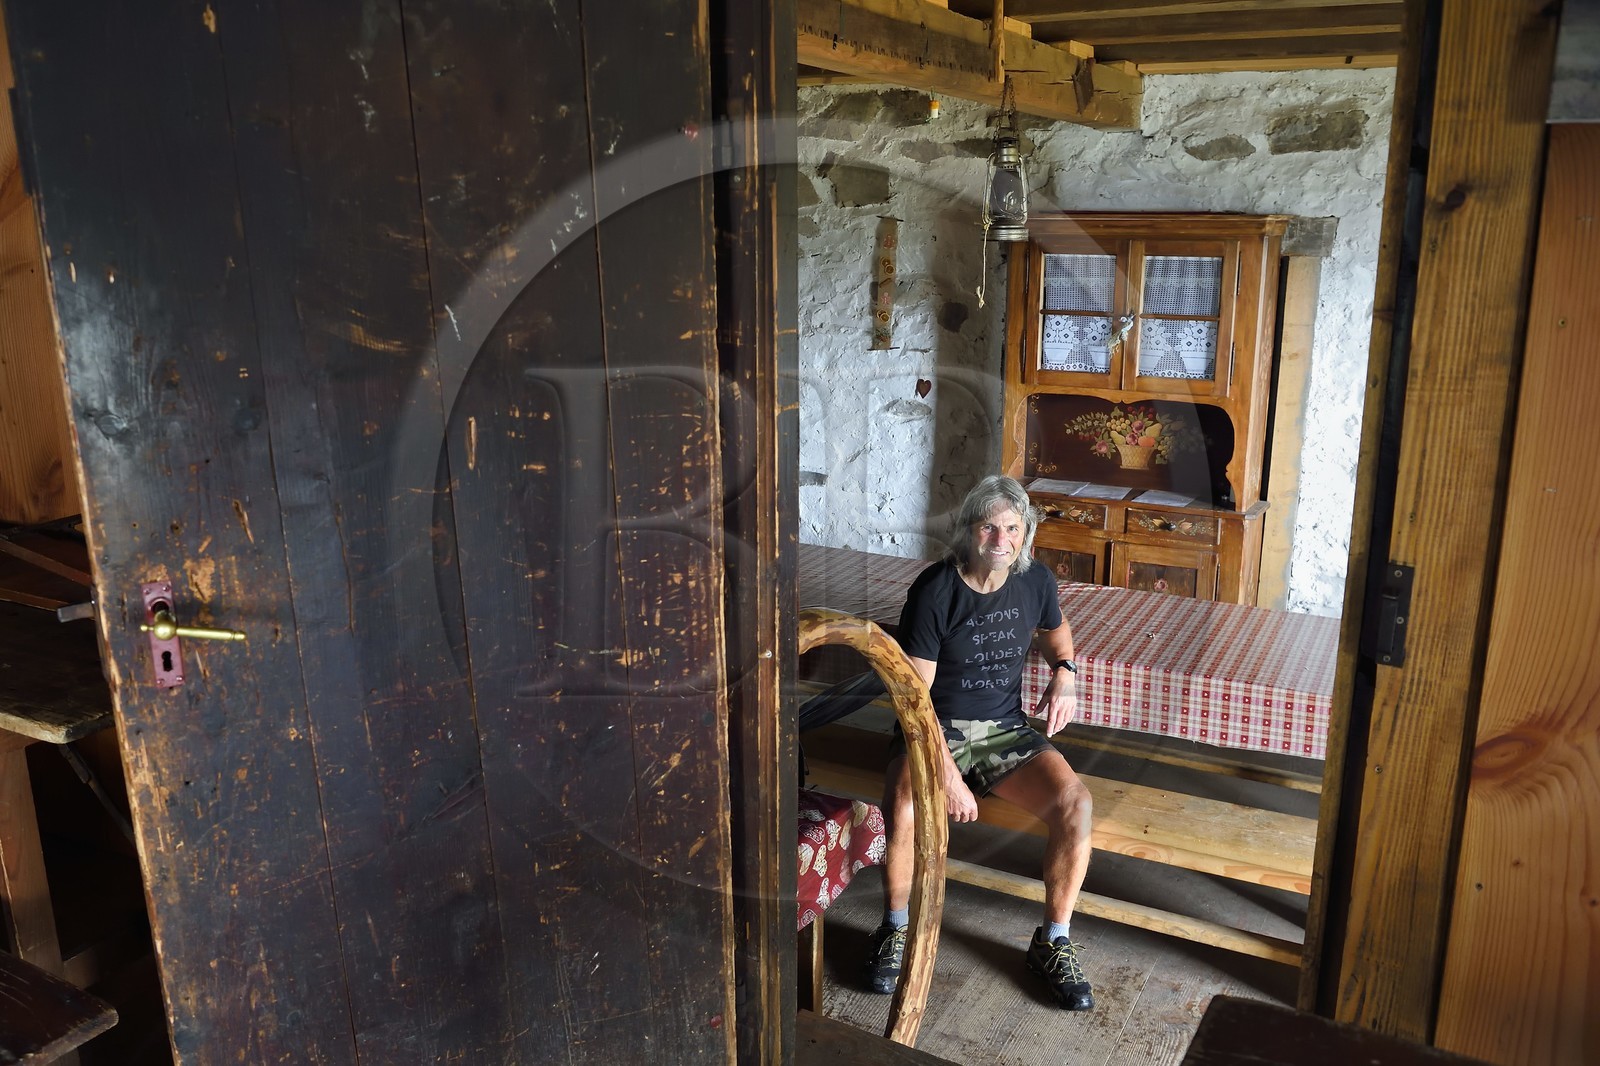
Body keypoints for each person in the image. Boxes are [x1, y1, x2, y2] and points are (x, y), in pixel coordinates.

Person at [829, 475, 1096, 1010]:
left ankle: (1053, 942)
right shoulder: (936, 590)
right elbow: (914, 700)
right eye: (989, 527)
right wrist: (945, 772)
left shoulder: (1036, 581)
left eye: (1013, 529)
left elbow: (1056, 631)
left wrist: (1064, 671)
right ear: (968, 532)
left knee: (1076, 804)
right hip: (933, 726)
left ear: (1026, 536)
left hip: (1003, 728)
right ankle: (895, 926)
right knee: (903, 803)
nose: (1001, 540)